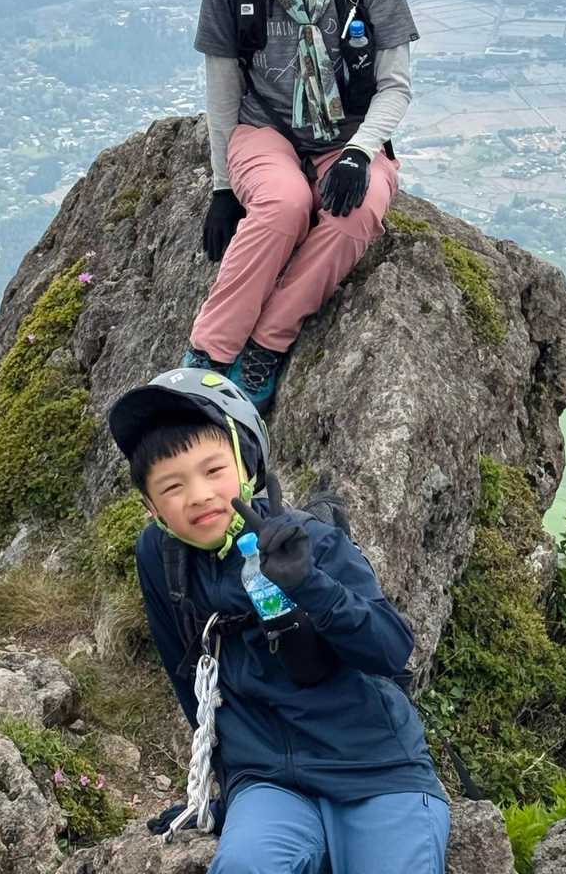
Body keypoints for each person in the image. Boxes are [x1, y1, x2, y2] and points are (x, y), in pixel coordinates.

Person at [107, 368, 451, 874]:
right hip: (269, 781)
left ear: (248, 464)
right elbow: (190, 680)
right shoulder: (162, 559)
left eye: (213, 470)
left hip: (375, 768)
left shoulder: (309, 541)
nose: (198, 495)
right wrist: (226, 789)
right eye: (172, 486)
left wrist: (309, 582)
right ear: (153, 507)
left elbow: (391, 649)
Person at [185, 0, 419, 411]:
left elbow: (395, 86)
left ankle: (267, 341)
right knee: (284, 204)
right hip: (263, 128)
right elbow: (223, 93)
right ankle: (210, 351)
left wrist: (361, 153)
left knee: (355, 213)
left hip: (349, 132)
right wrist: (222, 188)